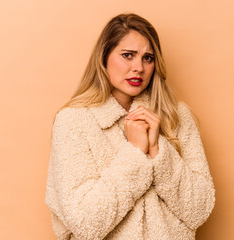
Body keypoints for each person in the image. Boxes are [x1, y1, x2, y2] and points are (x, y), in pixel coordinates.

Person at [44, 13, 215, 240]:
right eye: (128, 55)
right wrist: (135, 154)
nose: (139, 68)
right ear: (104, 58)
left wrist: (157, 151)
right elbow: (85, 222)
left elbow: (199, 210)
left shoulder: (176, 116)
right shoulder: (73, 121)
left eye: (148, 58)